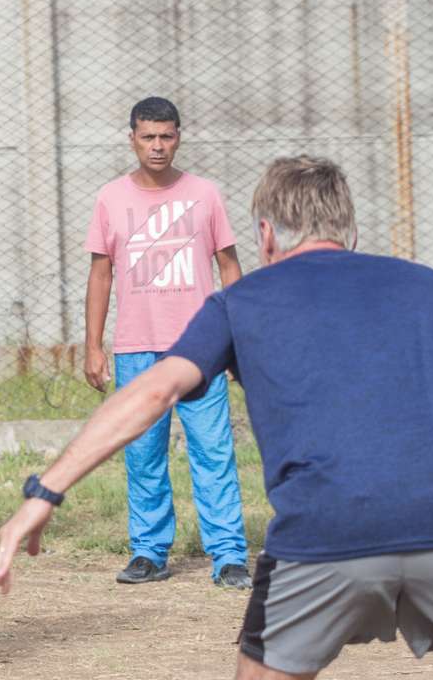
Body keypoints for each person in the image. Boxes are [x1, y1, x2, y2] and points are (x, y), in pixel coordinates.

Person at [0, 155, 433, 679]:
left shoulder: (238, 302)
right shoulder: (428, 284)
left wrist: (46, 491)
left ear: (266, 235)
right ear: (352, 232)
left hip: (326, 532)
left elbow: (152, 390)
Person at [83, 96, 251, 589]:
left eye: (167, 136)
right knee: (142, 452)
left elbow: (230, 267)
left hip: (200, 347)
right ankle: (149, 552)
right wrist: (94, 345)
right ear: (132, 137)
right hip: (137, 347)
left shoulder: (206, 194)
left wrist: (237, 336)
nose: (158, 146)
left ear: (179, 136)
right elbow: (100, 274)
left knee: (213, 451)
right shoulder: (110, 198)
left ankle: (229, 555)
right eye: (148, 137)